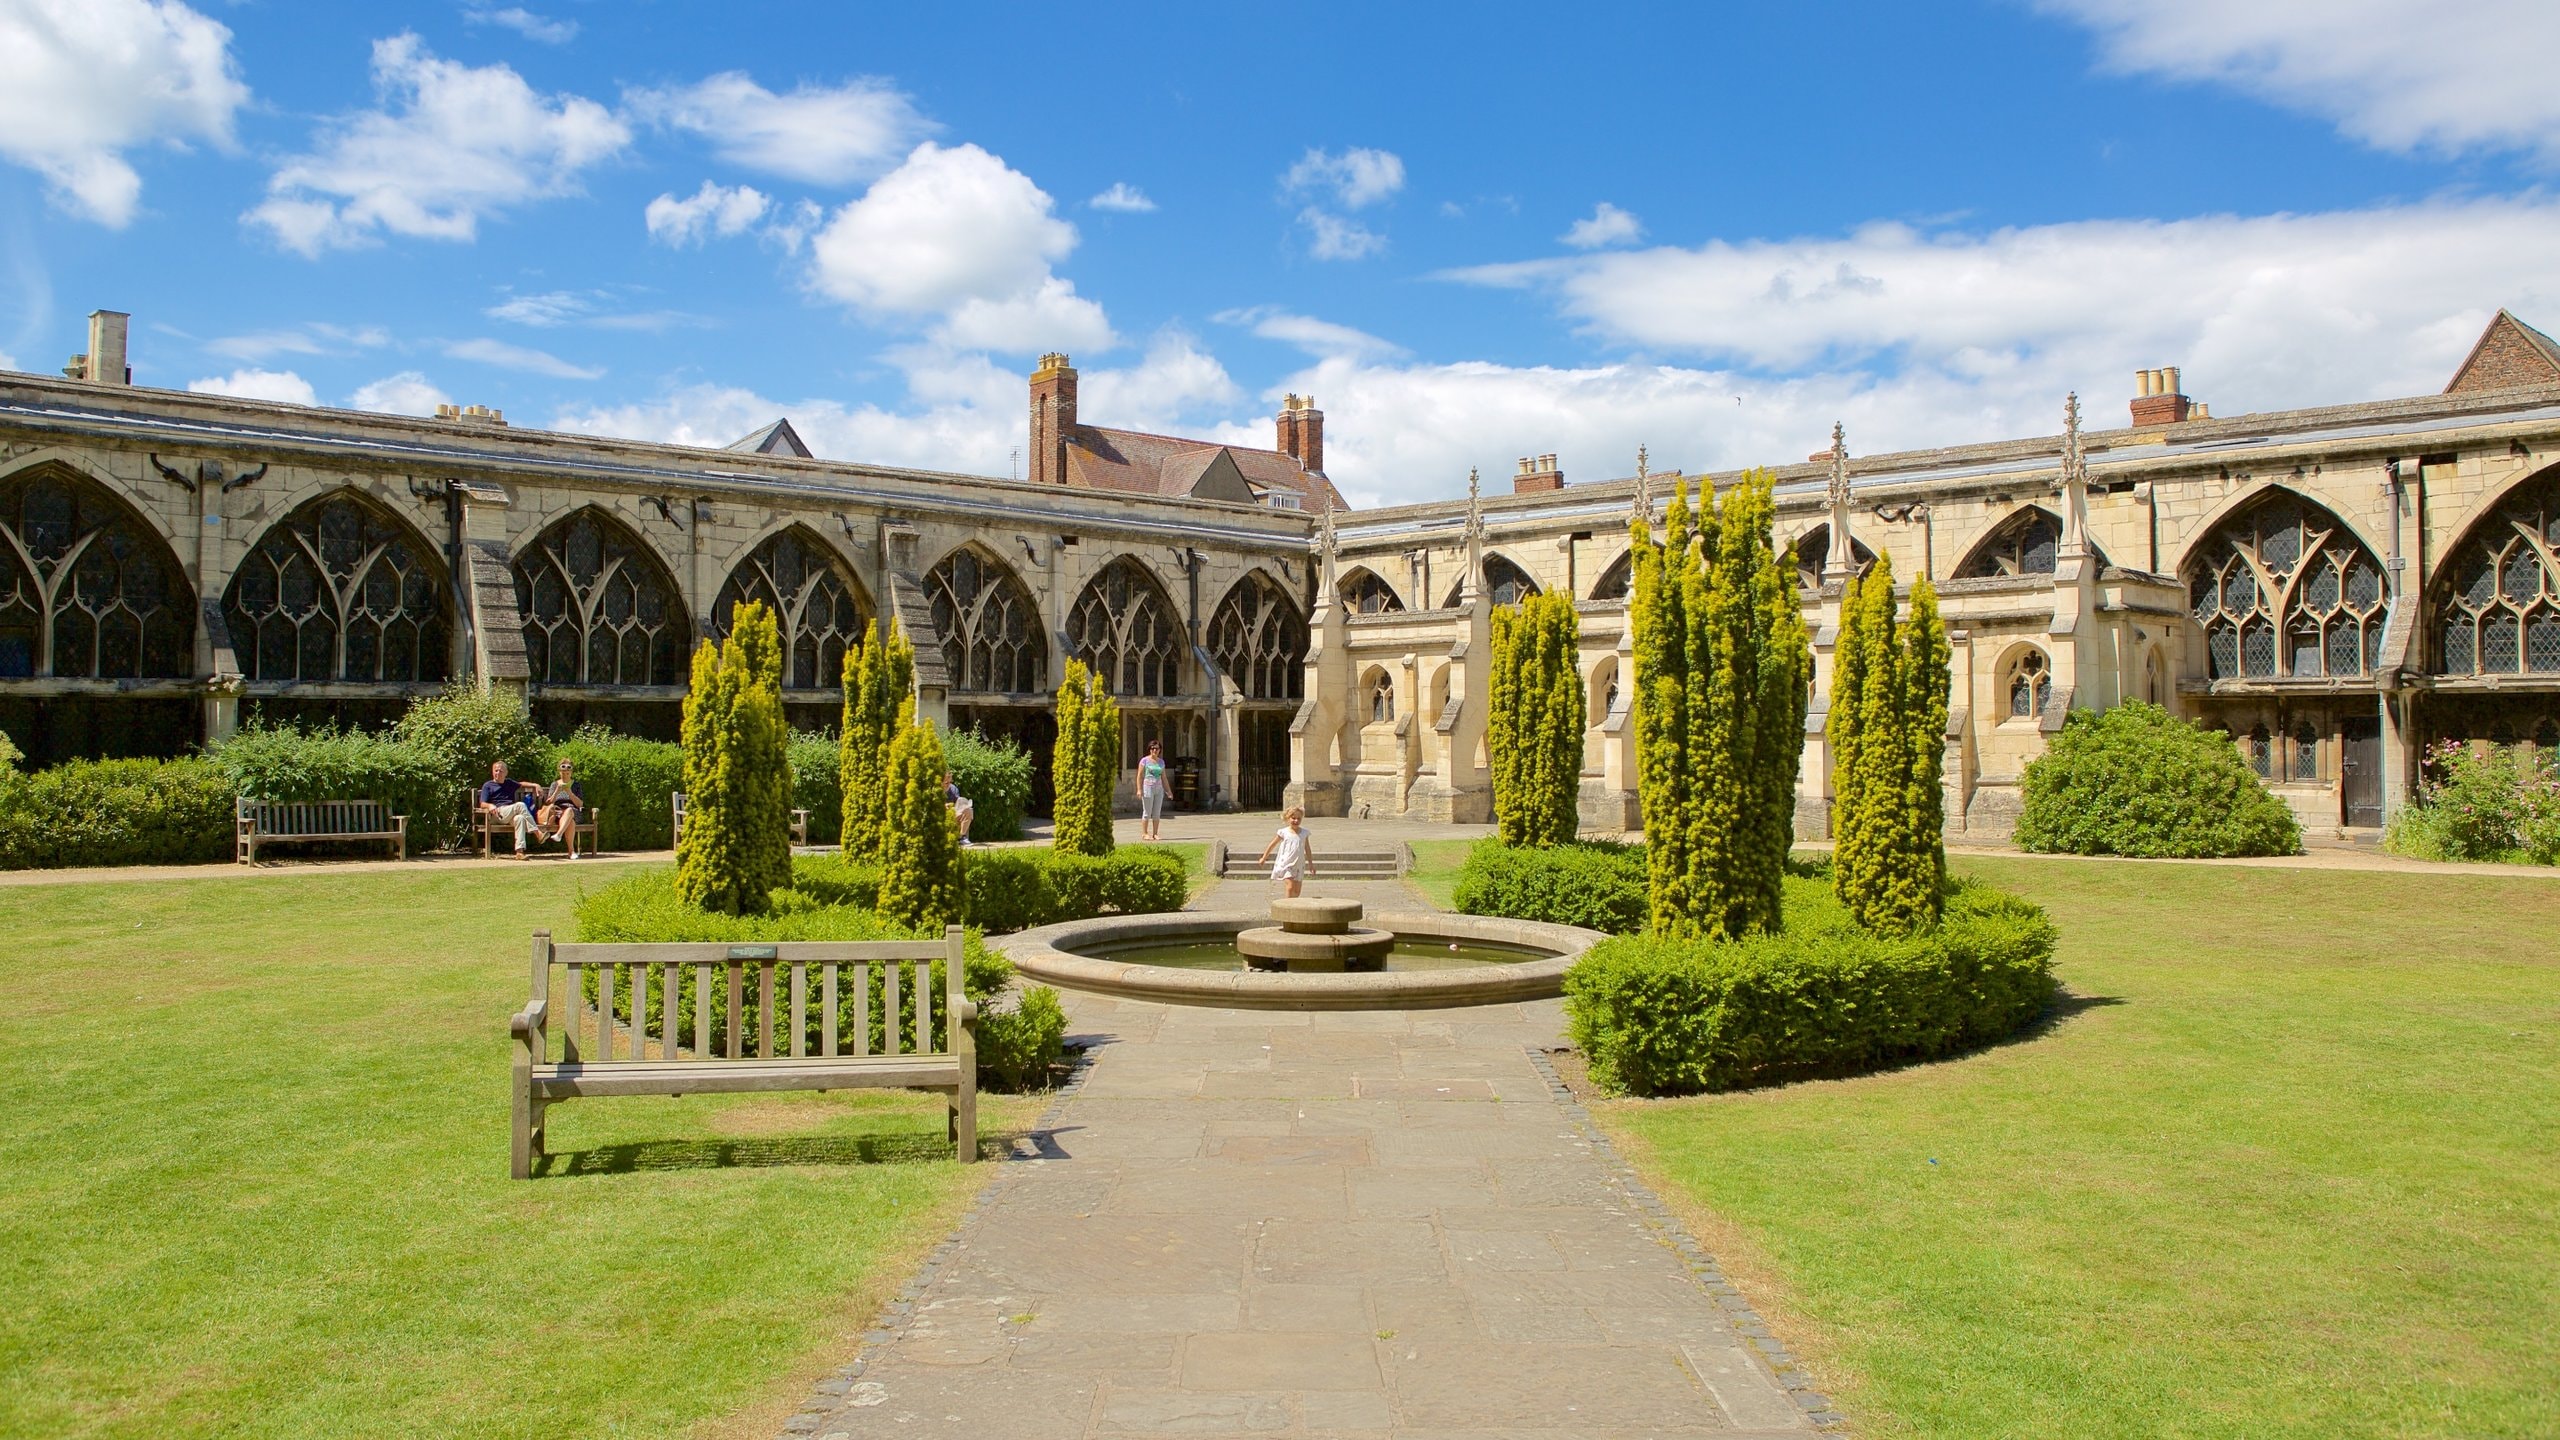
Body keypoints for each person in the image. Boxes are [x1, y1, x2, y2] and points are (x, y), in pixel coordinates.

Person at [476, 760, 541, 859]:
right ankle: (537, 832)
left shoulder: (509, 783)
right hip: (496, 814)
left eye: (501, 771)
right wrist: (490, 806)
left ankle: (519, 852)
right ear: (492, 772)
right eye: (496, 770)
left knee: (520, 818)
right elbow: (482, 804)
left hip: (509, 814)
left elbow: (522, 784)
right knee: (520, 805)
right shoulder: (488, 785)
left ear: (506, 773)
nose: (498, 773)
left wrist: (535, 785)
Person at [1258, 807, 1313, 899]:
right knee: (1290, 887)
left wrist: (1311, 864)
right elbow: (1272, 844)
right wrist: (1264, 857)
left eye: (1298, 818)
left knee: (1296, 891)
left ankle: (1293, 905)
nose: (1296, 820)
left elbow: (1307, 849)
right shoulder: (1284, 832)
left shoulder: (1304, 833)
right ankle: (1287, 907)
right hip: (1286, 863)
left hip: (1298, 864)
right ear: (1288, 818)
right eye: (1293, 818)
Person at [536, 759, 585, 855]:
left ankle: (559, 834)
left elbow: (580, 804)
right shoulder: (555, 784)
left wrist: (570, 793)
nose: (565, 774)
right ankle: (571, 852)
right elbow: (548, 803)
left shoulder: (576, 785)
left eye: (568, 772)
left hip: (574, 811)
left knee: (569, 810)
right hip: (558, 813)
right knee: (570, 821)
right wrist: (556, 792)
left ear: (571, 772)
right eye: (563, 772)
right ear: (559, 771)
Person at [1135, 740, 1170, 841]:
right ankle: (1145, 833)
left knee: (1157, 812)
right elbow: (1139, 776)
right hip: (1148, 787)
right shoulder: (1144, 761)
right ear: (1149, 750)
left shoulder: (1161, 762)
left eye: (1157, 748)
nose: (1154, 750)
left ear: (1160, 750)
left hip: (1158, 789)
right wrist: (1139, 789)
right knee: (1147, 811)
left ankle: (1155, 833)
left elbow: (1164, 777)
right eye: (1152, 748)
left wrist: (1168, 791)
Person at [944, 769, 974, 846]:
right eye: (946, 782)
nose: (949, 784)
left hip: (952, 813)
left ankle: (962, 837)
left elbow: (958, 802)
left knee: (968, 810)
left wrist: (963, 805)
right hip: (940, 815)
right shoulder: (935, 789)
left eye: (950, 782)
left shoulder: (953, 789)